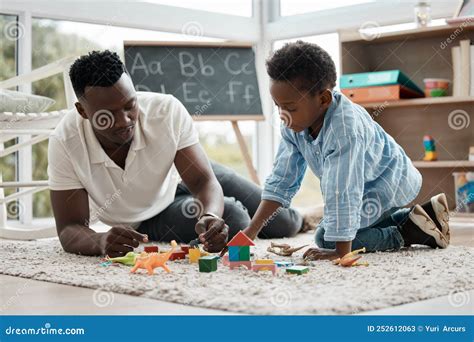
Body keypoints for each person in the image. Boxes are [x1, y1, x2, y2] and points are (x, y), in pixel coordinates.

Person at [48, 50, 310, 258]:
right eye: (108, 115)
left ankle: (309, 215)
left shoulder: (165, 110)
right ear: (83, 111)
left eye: (130, 105)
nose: (124, 121)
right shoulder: (65, 140)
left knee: (283, 222)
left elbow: (204, 182)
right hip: (149, 215)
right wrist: (100, 240)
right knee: (235, 218)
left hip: (183, 174)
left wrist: (209, 215)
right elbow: (70, 228)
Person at [241, 41, 450, 261]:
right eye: (278, 106)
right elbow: (281, 181)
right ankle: (420, 218)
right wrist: (249, 233)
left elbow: (343, 191)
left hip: (391, 182)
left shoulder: (344, 130)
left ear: (323, 99)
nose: (283, 115)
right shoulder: (293, 125)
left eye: (290, 108)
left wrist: (340, 252)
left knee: (327, 238)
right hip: (367, 188)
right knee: (333, 229)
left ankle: (406, 232)